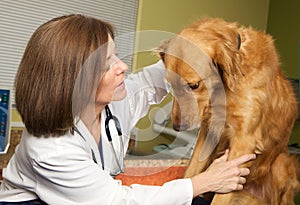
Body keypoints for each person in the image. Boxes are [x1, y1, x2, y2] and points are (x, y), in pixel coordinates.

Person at [0, 14, 255, 205]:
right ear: (75, 81)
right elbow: (116, 201)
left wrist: (226, 44)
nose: (122, 66)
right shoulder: (51, 150)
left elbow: (161, 77)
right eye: (107, 62)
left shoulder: (113, 103)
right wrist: (203, 182)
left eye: (116, 54)